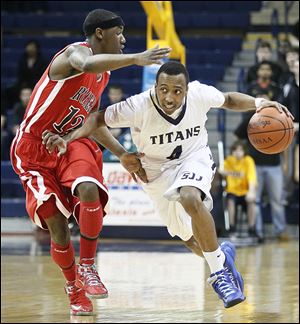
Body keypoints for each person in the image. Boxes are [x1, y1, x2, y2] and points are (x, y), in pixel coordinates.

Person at [42, 61, 292, 309]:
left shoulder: (199, 93)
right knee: (192, 241)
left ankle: (219, 275)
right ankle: (223, 256)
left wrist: (259, 103)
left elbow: (227, 99)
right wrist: (72, 139)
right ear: (156, 86)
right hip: (154, 172)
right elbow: (96, 119)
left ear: (186, 89)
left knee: (190, 197)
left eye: (177, 90)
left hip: (193, 158)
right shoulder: (138, 105)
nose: (169, 97)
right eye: (164, 89)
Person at [10, 8, 171, 316]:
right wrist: (137, 58)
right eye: (119, 33)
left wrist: (122, 154)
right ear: (100, 33)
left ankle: (88, 267)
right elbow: (86, 63)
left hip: (68, 141)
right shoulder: (74, 54)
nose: (124, 39)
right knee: (57, 225)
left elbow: (92, 123)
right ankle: (73, 289)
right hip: (33, 149)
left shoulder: (103, 74)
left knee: (89, 189)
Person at [234, 92, 291, 243]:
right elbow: (237, 138)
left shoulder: (277, 117)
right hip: (254, 166)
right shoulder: (250, 119)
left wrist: (285, 162)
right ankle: (257, 233)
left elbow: (284, 143)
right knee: (255, 200)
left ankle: (280, 231)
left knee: (277, 200)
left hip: (274, 165)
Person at [219, 140, 257, 238]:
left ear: (244, 151)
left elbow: (252, 177)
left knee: (251, 202)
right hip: (233, 191)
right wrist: (231, 173)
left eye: (240, 150)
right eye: (235, 150)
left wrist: (251, 191)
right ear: (232, 151)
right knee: (230, 201)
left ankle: (251, 229)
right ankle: (232, 228)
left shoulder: (248, 160)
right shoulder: (229, 160)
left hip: (245, 191)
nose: (238, 152)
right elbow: (220, 170)